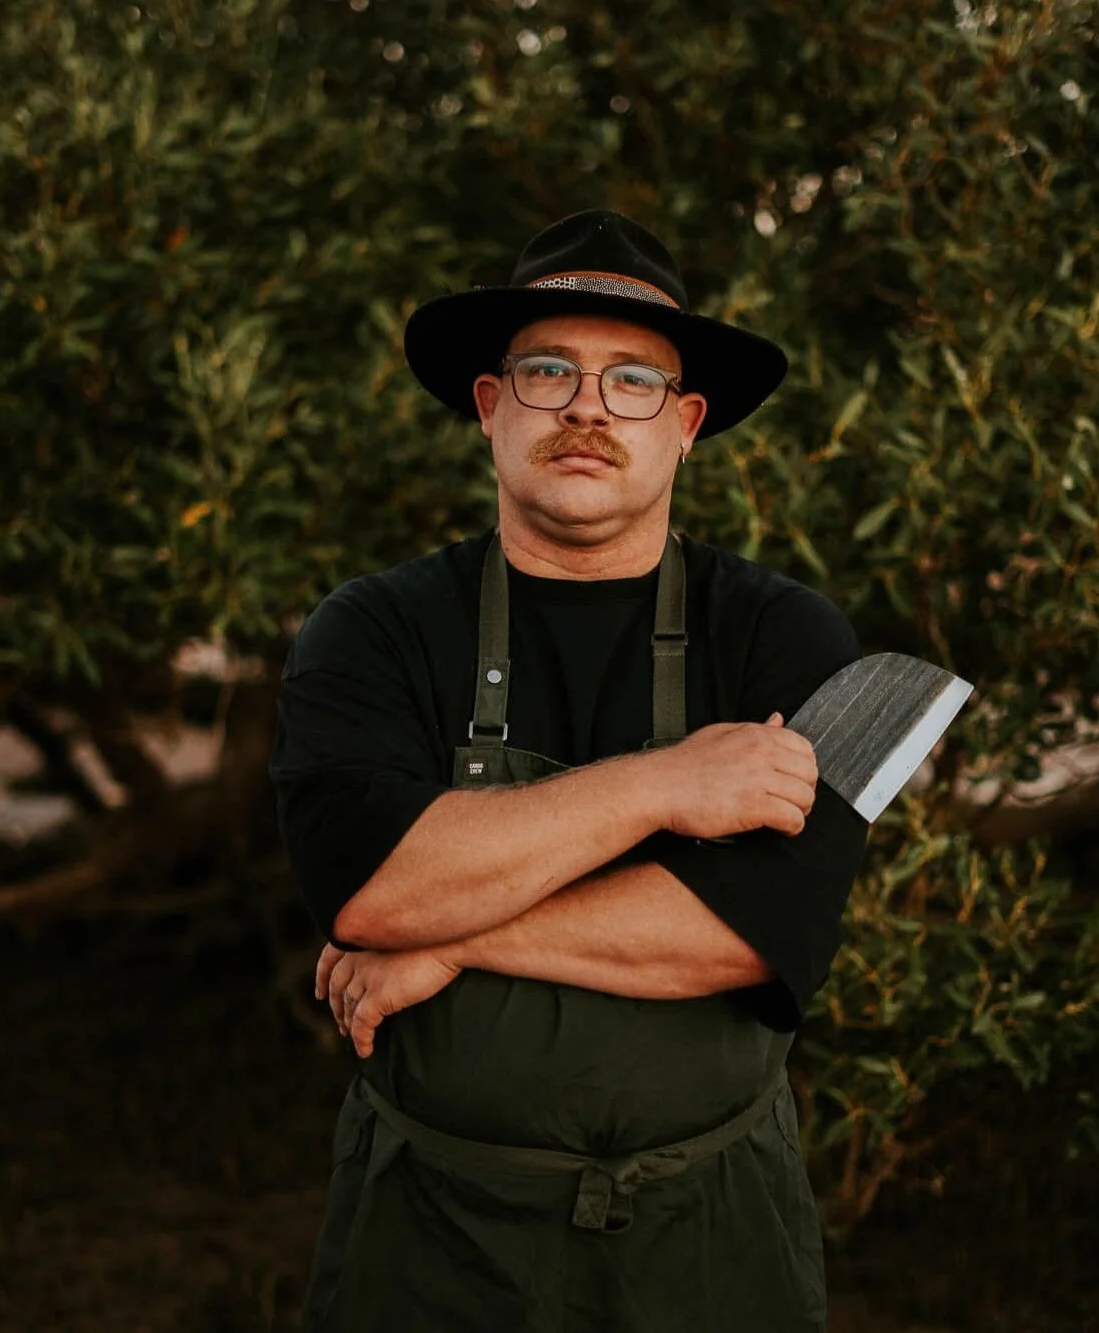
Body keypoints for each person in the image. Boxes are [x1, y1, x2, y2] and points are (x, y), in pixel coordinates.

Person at [270, 210, 869, 1333]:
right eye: (550, 371)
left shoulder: (786, 639)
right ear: (492, 407)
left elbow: (750, 935)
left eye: (632, 380)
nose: (589, 407)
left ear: (685, 425)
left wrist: (447, 935)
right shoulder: (371, 630)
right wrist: (661, 787)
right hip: (429, 1241)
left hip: (711, 1242)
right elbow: (372, 890)